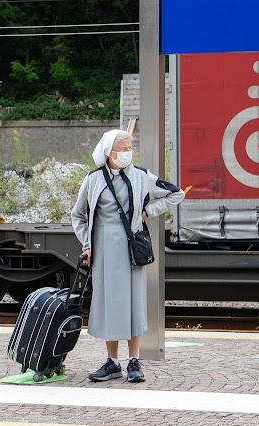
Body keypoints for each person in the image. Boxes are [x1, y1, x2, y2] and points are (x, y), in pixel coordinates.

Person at [71, 129, 184, 383]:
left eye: (130, 147)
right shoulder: (93, 180)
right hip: (103, 248)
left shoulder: (141, 176)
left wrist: (147, 212)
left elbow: (176, 193)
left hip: (131, 248)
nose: (127, 152)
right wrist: (87, 245)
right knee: (111, 303)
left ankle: (134, 360)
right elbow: (78, 215)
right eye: (122, 148)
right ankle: (113, 362)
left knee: (134, 302)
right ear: (108, 152)